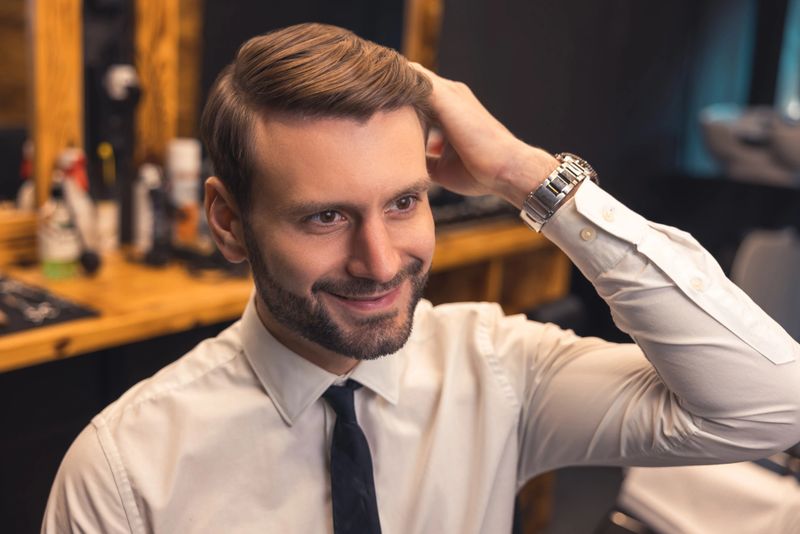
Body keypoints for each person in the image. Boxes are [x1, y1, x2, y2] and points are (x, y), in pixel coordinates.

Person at [42, 22, 800, 534]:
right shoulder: (125, 474)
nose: (380, 262)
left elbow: (772, 408)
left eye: (404, 203)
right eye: (325, 218)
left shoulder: (500, 371)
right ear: (228, 221)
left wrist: (525, 174)